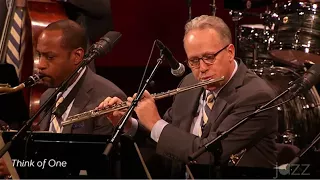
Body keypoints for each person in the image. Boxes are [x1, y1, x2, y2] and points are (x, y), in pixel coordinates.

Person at [98, 15, 278, 178]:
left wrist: (155, 122)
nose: (202, 68)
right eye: (193, 61)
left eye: (209, 57)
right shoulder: (189, 83)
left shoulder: (256, 97)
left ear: (230, 52)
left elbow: (208, 154)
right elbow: (168, 141)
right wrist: (130, 124)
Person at [0, 19, 126, 178]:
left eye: (50, 57)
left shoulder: (107, 98)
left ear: (77, 56)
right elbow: (45, 154)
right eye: (40, 55)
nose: (41, 65)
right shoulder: (47, 95)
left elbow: (96, 168)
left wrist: (22, 167)